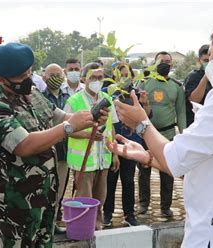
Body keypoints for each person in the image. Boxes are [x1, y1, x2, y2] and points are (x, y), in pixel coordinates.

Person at [108, 18, 213, 247]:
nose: (210, 62)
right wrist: (147, 156)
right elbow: (198, 160)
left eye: (212, 51)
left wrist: (142, 124)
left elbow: (176, 158)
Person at [0, 43, 108, 247]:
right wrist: (68, 127)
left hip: (43, 198)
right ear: (1, 79)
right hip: (12, 205)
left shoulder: (31, 91)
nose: (27, 79)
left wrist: (89, 118)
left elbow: (57, 116)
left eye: (29, 72)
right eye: (21, 76)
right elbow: (24, 145)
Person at [64, 62, 120, 230]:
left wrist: (115, 153)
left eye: (100, 77)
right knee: (84, 198)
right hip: (83, 161)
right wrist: (88, 134)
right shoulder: (73, 101)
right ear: (84, 79)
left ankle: (97, 226)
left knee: (100, 197)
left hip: (103, 158)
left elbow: (112, 127)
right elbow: (65, 129)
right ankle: (83, 228)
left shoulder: (107, 99)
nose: (97, 81)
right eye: (93, 77)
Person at [137, 51, 186, 217]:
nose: (165, 63)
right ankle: (143, 203)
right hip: (146, 133)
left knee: (168, 170)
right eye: (162, 61)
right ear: (155, 63)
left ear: (171, 65)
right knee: (144, 169)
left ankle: (166, 206)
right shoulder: (144, 83)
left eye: (168, 61)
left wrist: (183, 134)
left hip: (168, 133)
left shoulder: (177, 87)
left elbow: (181, 112)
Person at [103, 62, 144, 227]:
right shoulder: (107, 93)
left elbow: (146, 117)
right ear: (114, 76)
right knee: (110, 180)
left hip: (131, 143)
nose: (123, 77)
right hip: (113, 142)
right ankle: (107, 213)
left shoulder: (136, 94)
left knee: (128, 180)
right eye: (120, 74)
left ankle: (129, 214)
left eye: (126, 74)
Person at [41, 63, 71, 233]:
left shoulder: (68, 96)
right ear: (44, 77)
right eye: (51, 74)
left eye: (58, 74)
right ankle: (46, 224)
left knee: (60, 188)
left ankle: (53, 221)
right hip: (48, 148)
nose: (55, 78)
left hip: (67, 148)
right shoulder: (39, 97)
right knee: (47, 188)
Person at [184, 44, 212, 127]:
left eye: (211, 60)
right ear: (199, 60)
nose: (209, 63)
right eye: (206, 60)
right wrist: (206, 77)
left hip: (211, 121)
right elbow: (194, 100)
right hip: (195, 123)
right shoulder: (193, 76)